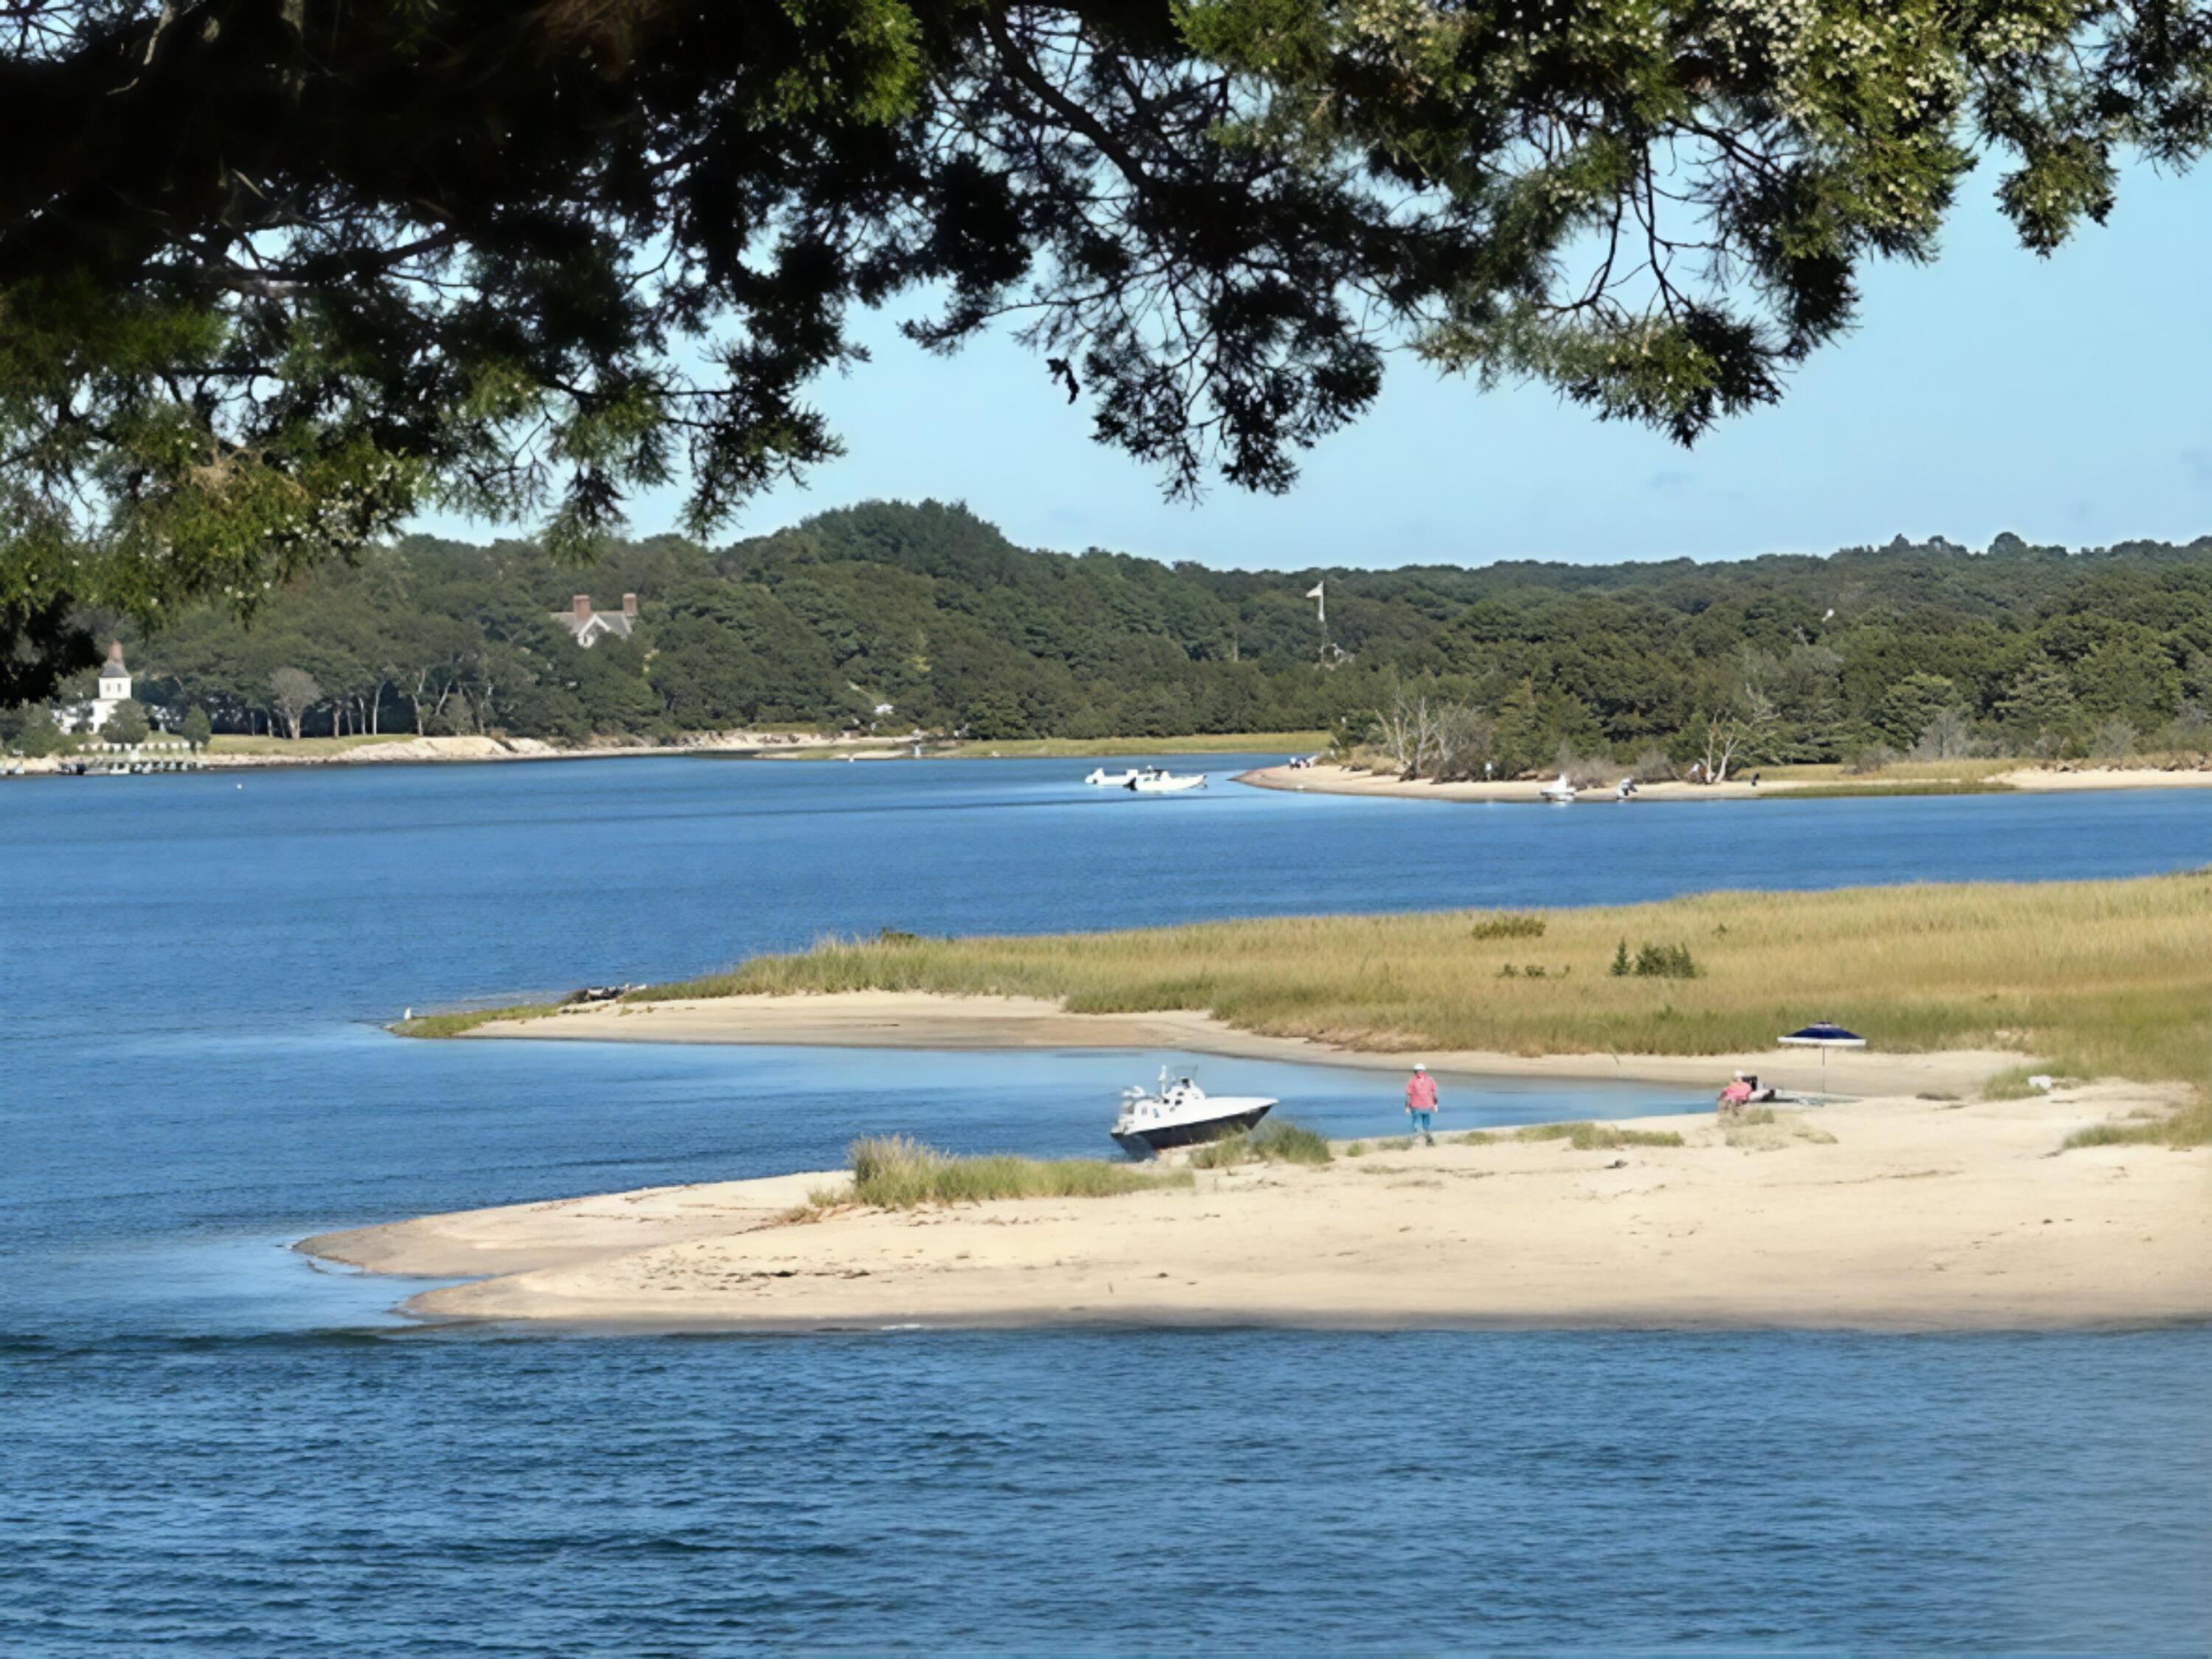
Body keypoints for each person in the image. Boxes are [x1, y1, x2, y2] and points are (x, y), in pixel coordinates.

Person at [1405, 1063, 1439, 1144]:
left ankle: (1416, 1140)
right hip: (1427, 1106)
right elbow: (1434, 1094)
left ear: (1415, 1071)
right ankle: (1428, 1140)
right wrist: (1436, 1105)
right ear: (1424, 1071)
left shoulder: (1412, 1081)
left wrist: (1407, 1107)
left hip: (1416, 1106)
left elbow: (1408, 1096)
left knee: (1416, 1124)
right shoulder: (1430, 1080)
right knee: (1426, 1125)